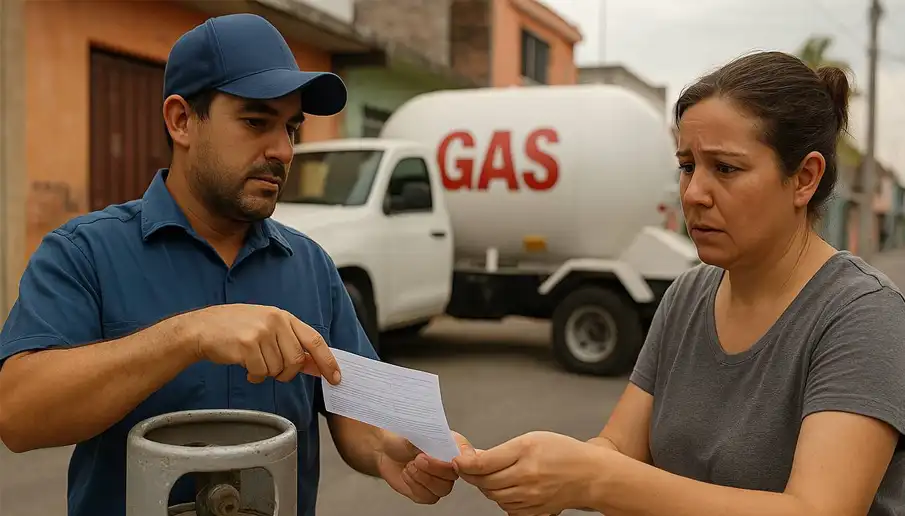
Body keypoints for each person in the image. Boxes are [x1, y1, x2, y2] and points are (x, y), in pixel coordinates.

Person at [0, 13, 467, 516]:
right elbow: (19, 414)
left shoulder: (311, 267)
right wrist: (187, 336)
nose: (283, 150)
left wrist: (393, 449)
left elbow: (357, 410)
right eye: (255, 122)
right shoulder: (84, 253)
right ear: (181, 120)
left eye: (291, 128)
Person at [452, 50, 905, 516]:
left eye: (725, 168)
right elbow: (617, 449)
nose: (693, 194)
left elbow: (818, 509)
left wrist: (592, 479)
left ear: (804, 178)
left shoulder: (863, 316)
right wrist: (534, 470)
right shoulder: (688, 296)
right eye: (688, 165)